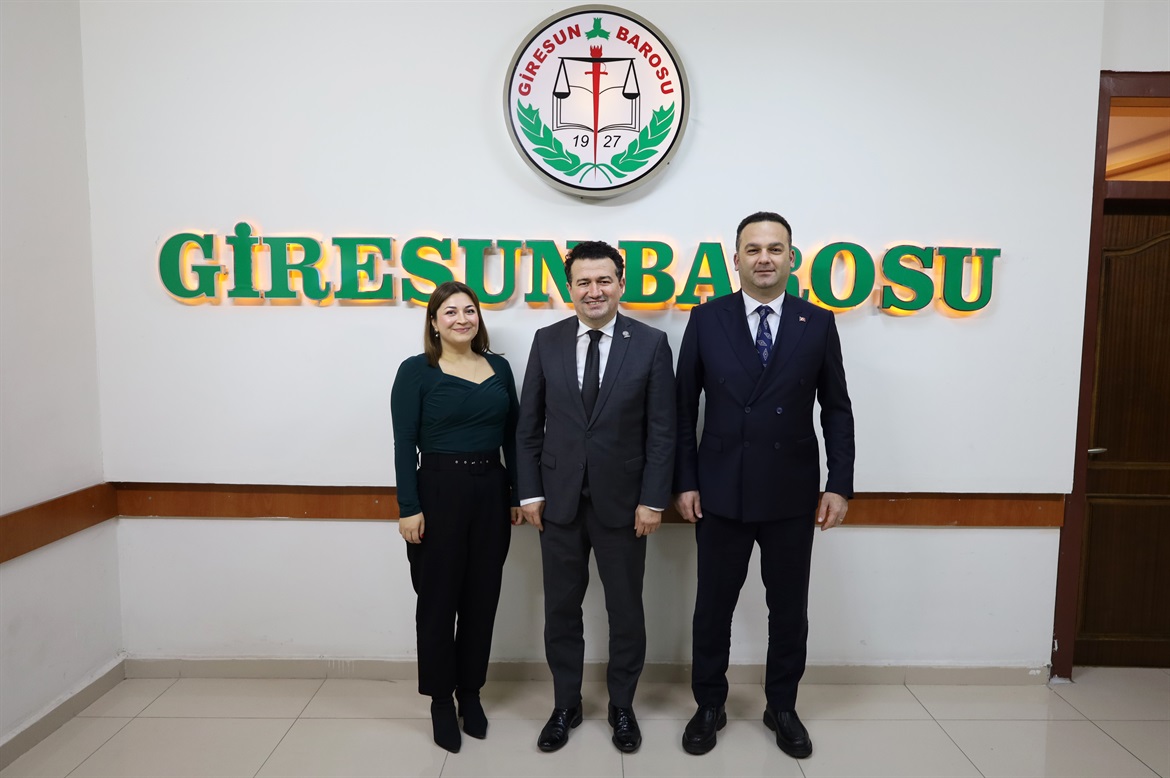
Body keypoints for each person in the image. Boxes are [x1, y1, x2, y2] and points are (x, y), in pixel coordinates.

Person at [674, 212, 855, 759]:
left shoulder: (816, 321)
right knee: (713, 608)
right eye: (753, 249)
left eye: (775, 248)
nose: (764, 258)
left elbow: (836, 408)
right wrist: (685, 480)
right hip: (719, 490)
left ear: (791, 258)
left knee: (789, 610)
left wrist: (839, 483)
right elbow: (681, 409)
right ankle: (709, 704)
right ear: (736, 260)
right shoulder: (706, 318)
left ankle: (783, 706)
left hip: (791, 492)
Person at [516, 241, 676, 754]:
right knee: (561, 611)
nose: (594, 290)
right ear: (570, 288)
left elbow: (663, 431)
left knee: (626, 611)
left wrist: (654, 499)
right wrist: (529, 491)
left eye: (604, 280)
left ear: (621, 284)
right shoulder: (547, 341)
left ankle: (622, 705)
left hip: (625, 507)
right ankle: (565, 704)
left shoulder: (650, 343)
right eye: (583, 282)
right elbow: (528, 426)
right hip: (558, 503)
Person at [390, 280, 523, 753]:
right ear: (434, 322)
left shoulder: (499, 367)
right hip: (438, 491)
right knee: (438, 601)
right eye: (450, 312)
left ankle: (471, 693)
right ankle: (440, 700)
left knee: (482, 599)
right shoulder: (416, 371)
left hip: (491, 491)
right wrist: (409, 507)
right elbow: (404, 443)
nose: (462, 319)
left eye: (469, 310)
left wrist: (517, 493)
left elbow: (514, 435)